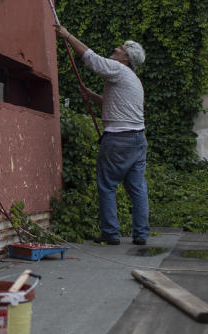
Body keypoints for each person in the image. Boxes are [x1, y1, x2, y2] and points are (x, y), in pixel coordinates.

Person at [54, 24, 149, 245]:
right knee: (137, 189)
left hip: (118, 139)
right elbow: (113, 105)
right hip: (137, 139)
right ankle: (141, 235)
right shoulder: (133, 80)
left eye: (121, 50)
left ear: (126, 60)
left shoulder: (119, 70)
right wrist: (92, 96)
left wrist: (67, 36)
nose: (116, 49)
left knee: (107, 185)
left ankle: (110, 234)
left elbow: (91, 59)